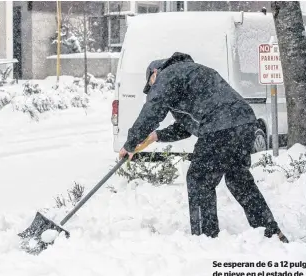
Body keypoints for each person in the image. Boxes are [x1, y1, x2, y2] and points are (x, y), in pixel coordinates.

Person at [119, 52, 289, 243]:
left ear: (155, 73)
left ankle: (205, 239)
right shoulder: (192, 74)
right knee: (238, 179)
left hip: (220, 127)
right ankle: (271, 232)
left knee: (199, 179)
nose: (152, 89)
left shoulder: (167, 74)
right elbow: (186, 127)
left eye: (150, 85)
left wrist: (130, 144)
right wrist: (156, 136)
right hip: (244, 122)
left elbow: (153, 110)